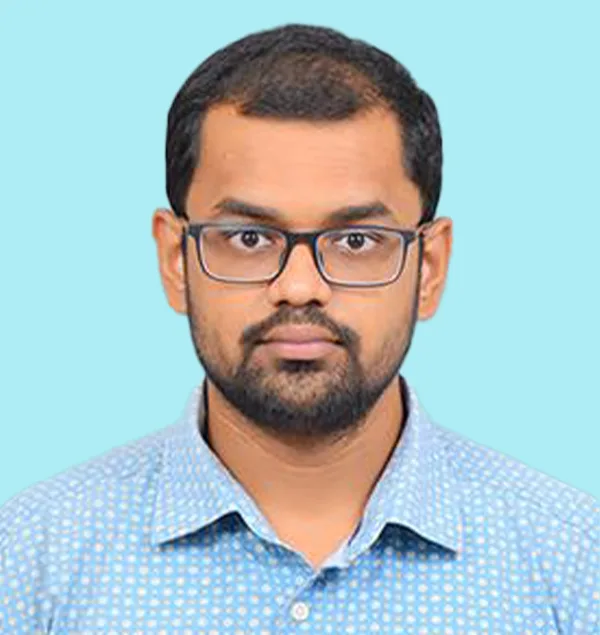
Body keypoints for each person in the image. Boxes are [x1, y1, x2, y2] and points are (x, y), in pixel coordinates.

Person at [1, 23, 598, 635]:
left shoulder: (576, 567)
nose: (299, 286)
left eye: (357, 241)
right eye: (248, 238)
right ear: (176, 260)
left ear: (430, 268)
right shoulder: (29, 564)